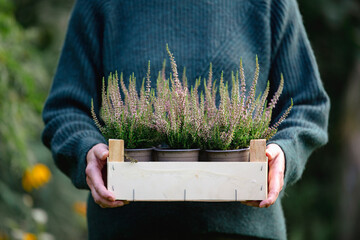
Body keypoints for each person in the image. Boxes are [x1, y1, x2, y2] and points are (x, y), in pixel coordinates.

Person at [42, 0, 330, 239]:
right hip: (128, 228)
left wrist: (283, 152)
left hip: (244, 228)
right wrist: (87, 151)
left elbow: (307, 105)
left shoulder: (268, 3)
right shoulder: (103, 5)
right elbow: (66, 110)